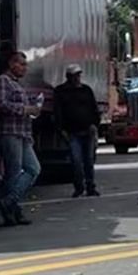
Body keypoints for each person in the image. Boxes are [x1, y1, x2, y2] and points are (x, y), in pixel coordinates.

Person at [0, 51, 41, 226]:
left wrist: (33, 108)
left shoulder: (17, 84)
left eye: (25, 65)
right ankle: (12, 209)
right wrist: (25, 109)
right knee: (13, 173)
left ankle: (10, 202)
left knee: (33, 169)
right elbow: (0, 104)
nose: (24, 68)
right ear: (11, 64)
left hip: (23, 133)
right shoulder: (3, 81)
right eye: (21, 64)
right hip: (10, 132)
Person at [54, 63, 101, 198]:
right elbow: (58, 112)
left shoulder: (86, 90)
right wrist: (61, 130)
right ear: (69, 77)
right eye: (75, 76)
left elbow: (94, 109)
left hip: (88, 131)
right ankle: (79, 187)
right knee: (76, 161)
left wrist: (94, 125)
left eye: (79, 75)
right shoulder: (61, 92)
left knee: (89, 160)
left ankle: (91, 187)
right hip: (72, 133)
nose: (78, 78)